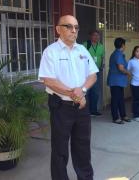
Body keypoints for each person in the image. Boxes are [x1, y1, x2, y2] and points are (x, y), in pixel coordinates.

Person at [38, 15, 97, 180]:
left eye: (76, 27)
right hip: (61, 108)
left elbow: (93, 75)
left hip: (82, 107)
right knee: (60, 150)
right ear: (58, 29)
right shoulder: (51, 52)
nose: (74, 30)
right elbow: (49, 80)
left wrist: (83, 90)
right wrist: (75, 94)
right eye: (69, 26)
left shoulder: (82, 50)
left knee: (83, 147)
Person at [107, 37, 132, 124]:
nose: (125, 46)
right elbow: (121, 68)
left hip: (119, 81)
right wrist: (128, 73)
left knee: (121, 99)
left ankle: (123, 115)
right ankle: (115, 118)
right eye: (124, 45)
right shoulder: (118, 54)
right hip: (115, 81)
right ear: (122, 45)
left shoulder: (118, 54)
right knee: (115, 100)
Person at [83, 30, 105, 116]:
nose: (97, 37)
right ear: (90, 36)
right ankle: (85, 111)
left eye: (98, 36)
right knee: (86, 91)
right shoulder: (85, 45)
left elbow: (102, 56)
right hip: (86, 72)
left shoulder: (101, 46)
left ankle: (93, 110)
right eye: (95, 35)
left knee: (95, 92)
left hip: (97, 72)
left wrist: (102, 64)